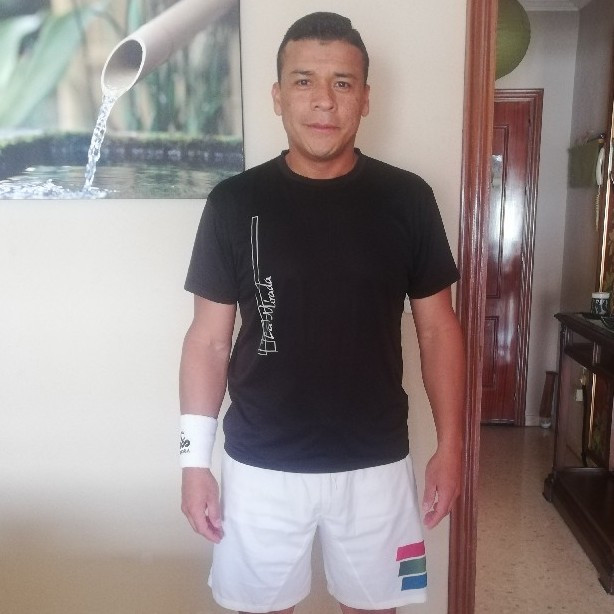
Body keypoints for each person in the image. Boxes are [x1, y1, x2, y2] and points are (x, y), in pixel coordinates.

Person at [179, 11, 464, 614]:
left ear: (365, 98)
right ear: (278, 96)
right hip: (259, 464)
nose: (324, 101)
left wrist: (452, 445)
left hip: (378, 464)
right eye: (304, 80)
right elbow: (207, 341)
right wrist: (193, 462)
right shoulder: (233, 203)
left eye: (342, 83)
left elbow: (439, 330)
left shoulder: (409, 198)